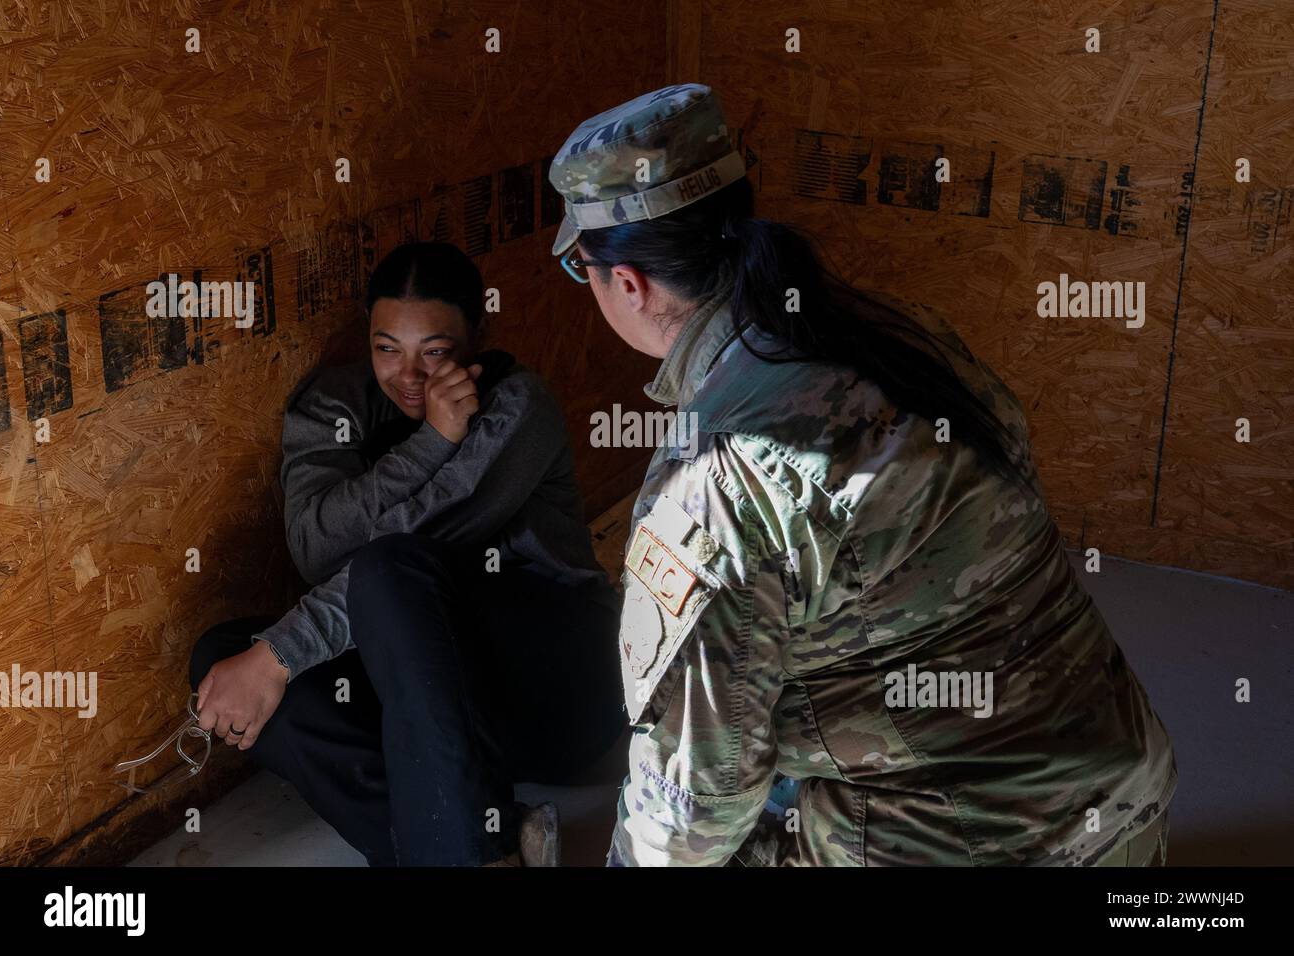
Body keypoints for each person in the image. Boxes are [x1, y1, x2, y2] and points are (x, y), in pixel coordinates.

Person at [545, 84, 1178, 866]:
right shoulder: (896, 336)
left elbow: (692, 810)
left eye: (584, 268)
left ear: (629, 283)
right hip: (1123, 795)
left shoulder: (711, 475)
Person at [188, 241, 624, 866]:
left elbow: (415, 544)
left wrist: (280, 655)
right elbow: (314, 552)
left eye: (436, 352)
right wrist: (430, 442)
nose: (409, 377)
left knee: (385, 574)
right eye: (387, 348)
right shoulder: (333, 407)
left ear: (478, 334)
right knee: (225, 656)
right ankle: (492, 841)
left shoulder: (516, 406)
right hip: (434, 698)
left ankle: (456, 851)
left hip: (559, 686)